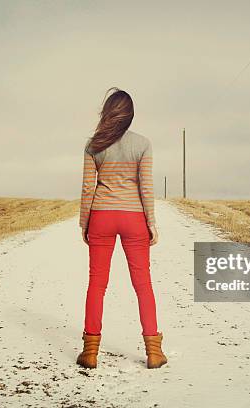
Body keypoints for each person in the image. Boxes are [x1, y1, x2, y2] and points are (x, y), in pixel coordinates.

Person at [76, 87, 167, 369]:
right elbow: (146, 187)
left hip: (101, 216)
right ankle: (153, 351)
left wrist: (84, 222)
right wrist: (151, 222)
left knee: (97, 284)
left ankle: (90, 352)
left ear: (108, 113)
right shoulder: (142, 144)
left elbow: (88, 187)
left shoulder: (94, 145)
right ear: (130, 115)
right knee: (143, 284)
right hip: (133, 218)